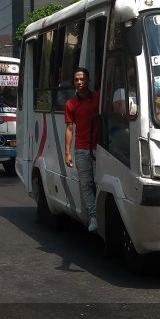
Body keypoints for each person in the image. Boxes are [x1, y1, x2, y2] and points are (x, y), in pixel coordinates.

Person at [64, 68, 100, 232]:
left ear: (88, 81)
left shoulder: (98, 98)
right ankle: (94, 217)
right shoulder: (70, 104)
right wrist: (68, 153)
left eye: (82, 79)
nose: (79, 82)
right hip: (81, 150)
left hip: (100, 150)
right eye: (76, 80)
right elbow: (70, 129)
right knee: (86, 185)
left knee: (99, 184)